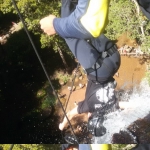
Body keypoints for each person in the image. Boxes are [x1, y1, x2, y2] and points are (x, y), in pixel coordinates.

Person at [40, 0, 130, 134]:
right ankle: (67, 2)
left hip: (114, 59)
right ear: (91, 116)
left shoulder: (111, 107)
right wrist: (61, 125)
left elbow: (129, 106)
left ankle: (77, 4)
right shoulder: (89, 106)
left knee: (90, 30)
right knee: (68, 35)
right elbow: (70, 114)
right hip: (98, 70)